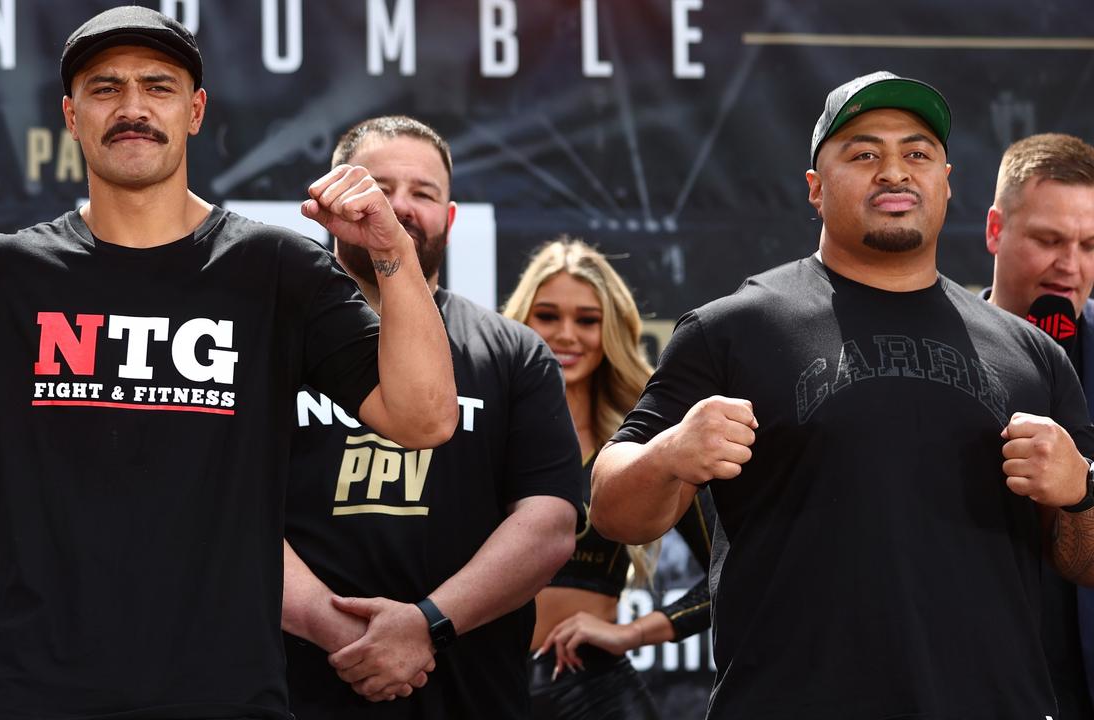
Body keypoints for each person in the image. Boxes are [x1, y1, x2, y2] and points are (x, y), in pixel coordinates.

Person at [0, 6, 457, 719]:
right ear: (70, 113)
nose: (132, 107)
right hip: (27, 700)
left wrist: (391, 250)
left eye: (158, 86)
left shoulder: (276, 272)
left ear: (195, 110)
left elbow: (425, 418)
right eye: (104, 87)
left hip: (221, 700)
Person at [589, 70, 1094, 719]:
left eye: (916, 154)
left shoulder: (1033, 357)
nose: (893, 171)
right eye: (863, 153)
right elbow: (610, 506)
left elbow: (1083, 562)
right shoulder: (733, 328)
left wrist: (1079, 488)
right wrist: (669, 456)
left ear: (945, 185)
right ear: (815, 189)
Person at [280, 115, 582, 719]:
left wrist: (428, 624)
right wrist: (333, 628)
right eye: (379, 186)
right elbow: (224, 510)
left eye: (423, 193)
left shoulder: (513, 351)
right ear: (332, 196)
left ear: (449, 218)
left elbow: (549, 523)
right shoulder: (269, 343)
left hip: (467, 693)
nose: (398, 208)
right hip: (287, 689)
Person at [501, 237, 715, 719]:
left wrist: (633, 633)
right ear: (523, 320)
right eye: (548, 316)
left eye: (587, 320)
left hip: (594, 693)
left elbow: (729, 569)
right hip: (480, 684)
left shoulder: (636, 448)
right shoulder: (483, 425)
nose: (567, 335)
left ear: (611, 330)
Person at [981, 132, 1094, 718]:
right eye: (1049, 240)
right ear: (996, 230)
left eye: (1090, 245)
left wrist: (1084, 484)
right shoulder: (936, 353)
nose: (1069, 267)